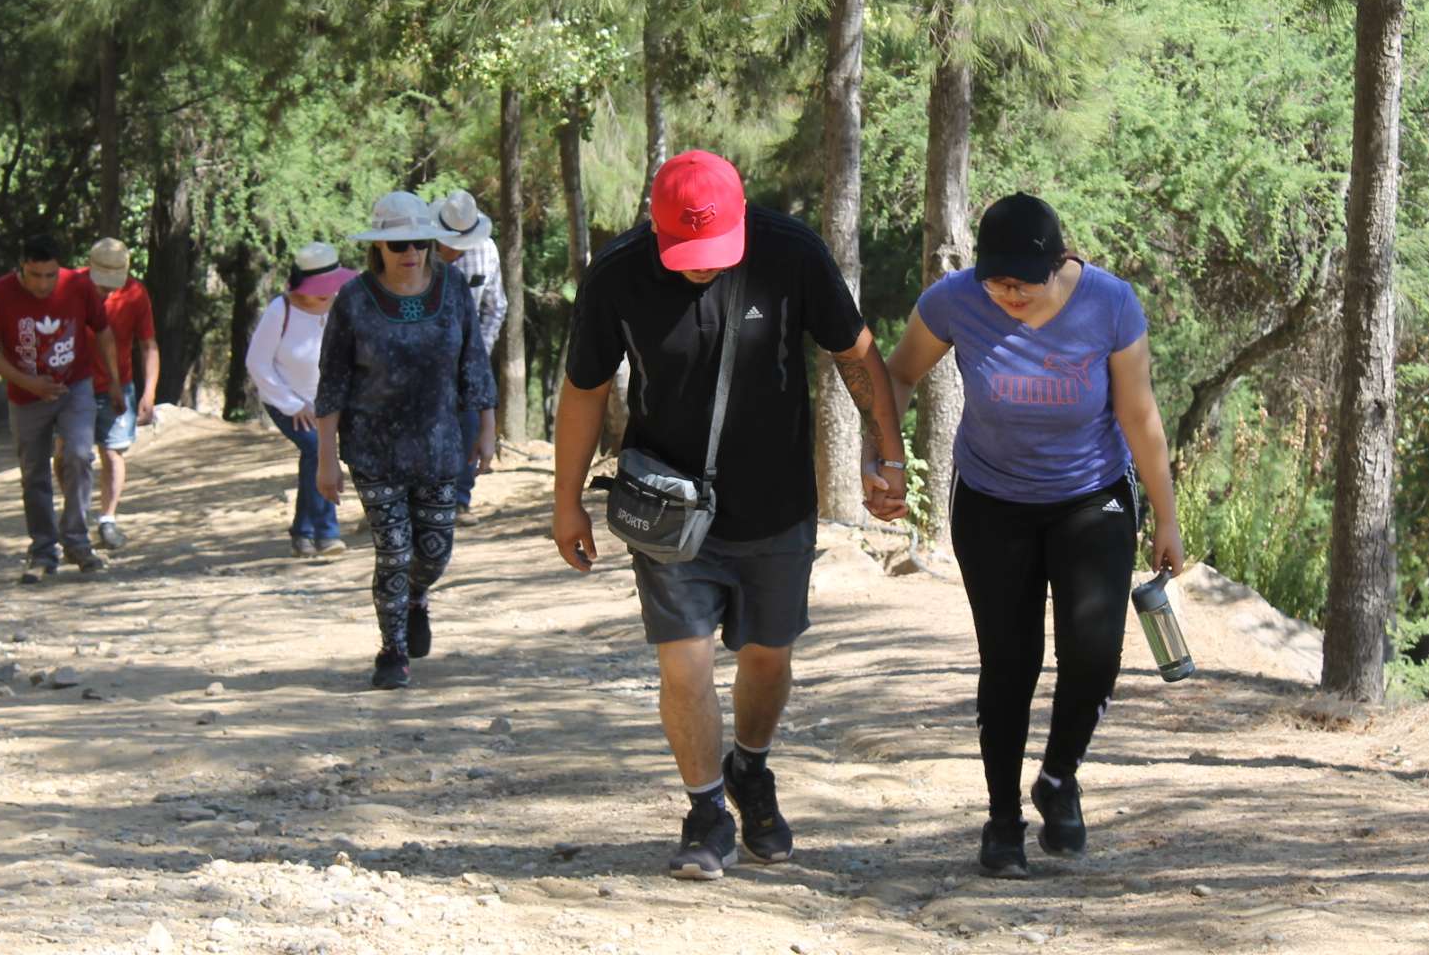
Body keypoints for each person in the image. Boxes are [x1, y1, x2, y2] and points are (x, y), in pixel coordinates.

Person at [551, 150, 910, 881]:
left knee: (768, 655)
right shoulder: (617, 275)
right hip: (668, 509)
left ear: (743, 219)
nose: (703, 267)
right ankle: (706, 809)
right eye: (687, 253)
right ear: (656, 229)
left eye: (715, 250)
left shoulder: (792, 253)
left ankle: (751, 768)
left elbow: (855, 353)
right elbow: (584, 389)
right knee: (683, 661)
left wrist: (888, 453)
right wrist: (566, 502)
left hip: (777, 502)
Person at [877, 192, 1184, 880]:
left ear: (1059, 263)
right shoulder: (954, 301)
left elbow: (1139, 416)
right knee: (1009, 663)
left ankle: (1058, 777)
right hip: (992, 502)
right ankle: (1002, 821)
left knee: (1094, 654)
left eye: (1024, 283)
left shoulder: (1109, 304)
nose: (1009, 295)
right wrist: (888, 458)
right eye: (997, 281)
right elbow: (898, 374)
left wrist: (1165, 517)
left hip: (1091, 496)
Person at [315, 191, 497, 690]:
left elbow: (473, 360)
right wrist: (326, 459)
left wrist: (486, 426)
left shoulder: (453, 288)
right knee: (393, 550)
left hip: (440, 446)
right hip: (373, 449)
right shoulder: (354, 299)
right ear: (379, 248)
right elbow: (332, 381)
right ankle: (392, 650)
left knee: (433, 553)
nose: (411, 252)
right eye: (398, 244)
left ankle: (416, 595)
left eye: (420, 242)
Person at [0, 233, 122, 583]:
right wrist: (28, 383)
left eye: (50, 275)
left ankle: (77, 541)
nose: (43, 284)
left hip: (75, 386)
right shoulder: (0, 293)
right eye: (34, 275)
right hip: (26, 396)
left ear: (61, 269)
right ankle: (42, 549)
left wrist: (114, 380)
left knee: (79, 455)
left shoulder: (79, 286)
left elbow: (102, 330)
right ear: (21, 268)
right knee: (34, 472)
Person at [246, 241, 357, 557]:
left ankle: (302, 532)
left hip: (329, 401)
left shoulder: (342, 307)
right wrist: (292, 404)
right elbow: (257, 363)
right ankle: (327, 533)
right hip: (287, 401)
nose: (325, 292)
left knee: (315, 456)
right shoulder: (280, 310)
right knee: (317, 450)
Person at [80, 238, 158, 550]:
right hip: (74, 385)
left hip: (117, 386)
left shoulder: (136, 293)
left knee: (113, 453)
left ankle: (107, 519)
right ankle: (76, 512)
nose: (107, 290)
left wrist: (149, 392)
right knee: (68, 454)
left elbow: (148, 344)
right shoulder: (71, 285)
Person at [431, 190, 505, 518]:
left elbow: (496, 305)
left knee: (469, 424)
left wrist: (479, 352)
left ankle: (460, 498)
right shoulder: (416, 253)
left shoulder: (487, 251)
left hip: (467, 356)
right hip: (422, 358)